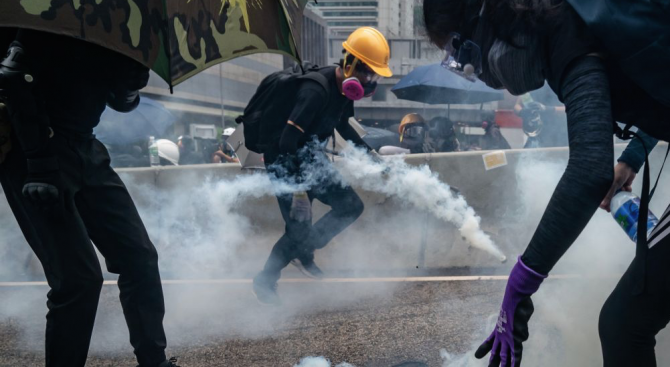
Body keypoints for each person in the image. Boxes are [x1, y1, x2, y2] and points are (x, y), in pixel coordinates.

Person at [422, 1, 670, 366]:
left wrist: (521, 282)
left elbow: (589, 170)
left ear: (490, 18)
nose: (476, 72)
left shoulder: (568, 33)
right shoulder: (589, 15)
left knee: (625, 324)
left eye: (462, 50)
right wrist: (632, 158)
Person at [0, 30, 179, 367]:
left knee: (139, 257)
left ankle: (154, 361)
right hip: (34, 149)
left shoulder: (111, 22)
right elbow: (11, 76)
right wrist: (39, 164)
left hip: (86, 145)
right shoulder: (47, 17)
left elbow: (116, 98)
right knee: (78, 279)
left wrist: (130, 75)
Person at [252, 26, 391, 305]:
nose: (369, 80)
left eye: (373, 74)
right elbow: (288, 141)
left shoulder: (343, 93)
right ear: (349, 63)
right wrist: (301, 193)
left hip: (312, 159)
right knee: (298, 229)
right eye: (366, 72)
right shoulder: (315, 91)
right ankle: (265, 279)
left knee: (351, 206)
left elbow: (344, 127)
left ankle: (304, 250)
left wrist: (372, 158)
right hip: (285, 161)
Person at [514, 82, 569, 148]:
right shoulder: (532, 82)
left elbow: (569, 108)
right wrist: (522, 111)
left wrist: (547, 109)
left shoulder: (560, 82)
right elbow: (517, 105)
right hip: (536, 133)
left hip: (558, 134)